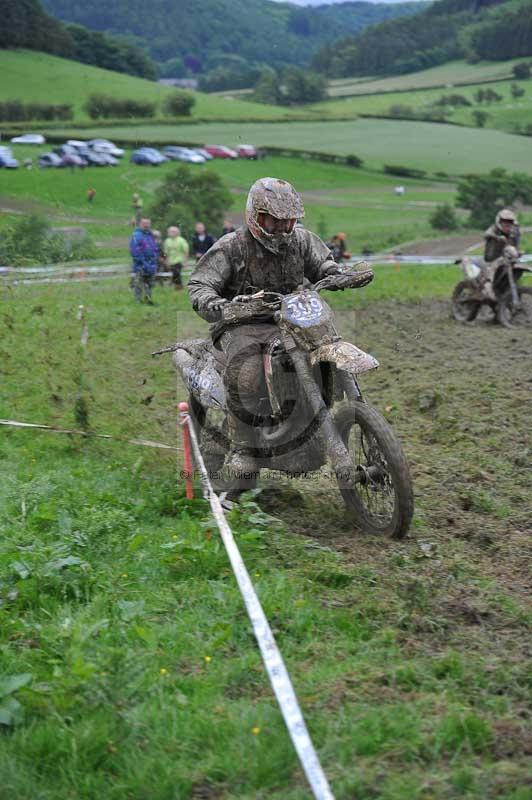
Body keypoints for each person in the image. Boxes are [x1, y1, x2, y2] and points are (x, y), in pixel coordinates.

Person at [188, 176, 345, 477]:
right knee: (246, 374)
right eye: (272, 222)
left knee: (327, 349)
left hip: (295, 318)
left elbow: (322, 263)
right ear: (255, 216)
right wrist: (220, 305)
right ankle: (243, 446)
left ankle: (320, 418)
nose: (281, 229)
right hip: (245, 322)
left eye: (287, 222)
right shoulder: (233, 247)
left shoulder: (301, 239)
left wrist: (335, 272)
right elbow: (199, 285)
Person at [482, 208, 521, 299]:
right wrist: (497, 237)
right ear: (499, 221)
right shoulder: (494, 229)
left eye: (510, 222)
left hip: (506, 259)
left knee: (516, 265)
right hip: (491, 258)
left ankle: (513, 288)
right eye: (504, 221)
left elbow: (515, 244)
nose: (507, 224)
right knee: (496, 263)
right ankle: (488, 285)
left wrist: (518, 251)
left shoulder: (514, 232)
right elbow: (486, 234)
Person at [129, 217, 159, 304]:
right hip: (140, 265)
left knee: (149, 284)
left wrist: (154, 260)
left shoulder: (150, 235)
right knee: (139, 284)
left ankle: (148, 300)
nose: (146, 225)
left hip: (152, 265)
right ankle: (138, 301)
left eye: (148, 223)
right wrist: (143, 263)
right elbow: (135, 251)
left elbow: (154, 249)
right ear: (140, 224)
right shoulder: (137, 235)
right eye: (144, 223)